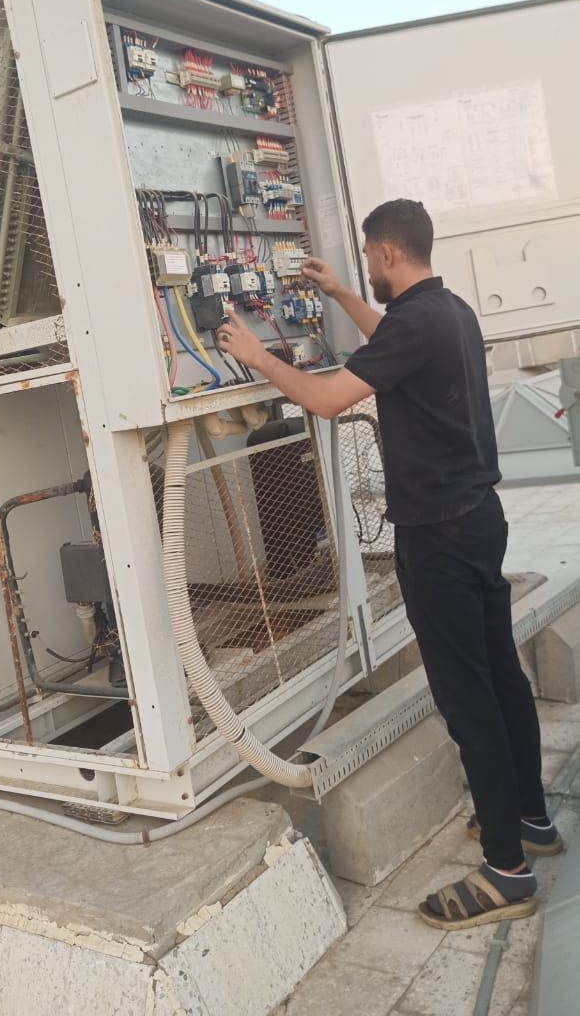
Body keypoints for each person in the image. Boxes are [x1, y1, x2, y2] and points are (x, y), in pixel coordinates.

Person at [218, 197, 562, 930]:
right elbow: (392, 344)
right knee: (500, 675)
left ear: (388, 254)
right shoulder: (449, 313)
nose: (368, 269)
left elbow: (326, 399)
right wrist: (342, 294)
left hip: (438, 535)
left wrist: (258, 355)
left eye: (368, 260)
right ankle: (529, 818)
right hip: (478, 520)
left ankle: (506, 871)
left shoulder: (416, 323)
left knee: (467, 698)